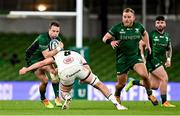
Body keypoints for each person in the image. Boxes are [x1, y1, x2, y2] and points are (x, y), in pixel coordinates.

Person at [19, 50, 128, 110]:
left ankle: (67, 97)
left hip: (65, 72)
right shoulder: (76, 53)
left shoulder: (55, 57)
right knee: (99, 84)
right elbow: (88, 68)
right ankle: (117, 105)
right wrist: (83, 79)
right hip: (79, 68)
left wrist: (27, 69)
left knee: (63, 92)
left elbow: (41, 63)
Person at [102, 8, 158, 105]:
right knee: (121, 84)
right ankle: (117, 94)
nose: (126, 19)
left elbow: (145, 33)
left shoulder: (138, 27)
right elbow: (104, 38)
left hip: (135, 57)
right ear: (122, 18)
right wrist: (111, 42)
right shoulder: (117, 28)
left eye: (129, 17)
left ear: (133, 18)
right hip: (122, 59)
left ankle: (150, 94)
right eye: (124, 17)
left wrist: (148, 45)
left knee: (145, 75)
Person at [125, 16, 176, 107]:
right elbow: (141, 43)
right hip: (152, 60)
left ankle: (133, 82)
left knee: (154, 86)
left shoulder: (167, 36)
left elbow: (169, 49)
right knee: (165, 78)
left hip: (159, 61)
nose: (160, 24)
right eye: (158, 22)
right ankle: (164, 102)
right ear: (155, 24)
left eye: (161, 22)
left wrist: (168, 59)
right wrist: (142, 57)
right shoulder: (151, 34)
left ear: (165, 24)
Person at [24, 21, 64, 108]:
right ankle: (43, 98)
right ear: (49, 30)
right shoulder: (43, 38)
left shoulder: (57, 39)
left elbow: (57, 54)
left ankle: (57, 98)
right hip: (33, 58)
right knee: (45, 81)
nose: (55, 33)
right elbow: (46, 55)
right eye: (53, 31)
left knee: (53, 72)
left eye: (57, 31)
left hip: (44, 58)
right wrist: (58, 48)